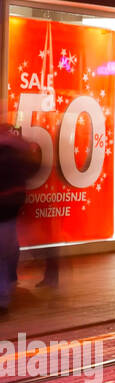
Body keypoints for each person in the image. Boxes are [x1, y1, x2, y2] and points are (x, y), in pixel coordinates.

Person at [0, 123, 40, 314]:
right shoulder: (17, 148)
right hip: (13, 204)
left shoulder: (6, 152)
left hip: (5, 205)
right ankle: (9, 282)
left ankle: (3, 297)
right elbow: (32, 169)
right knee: (9, 244)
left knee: (5, 248)